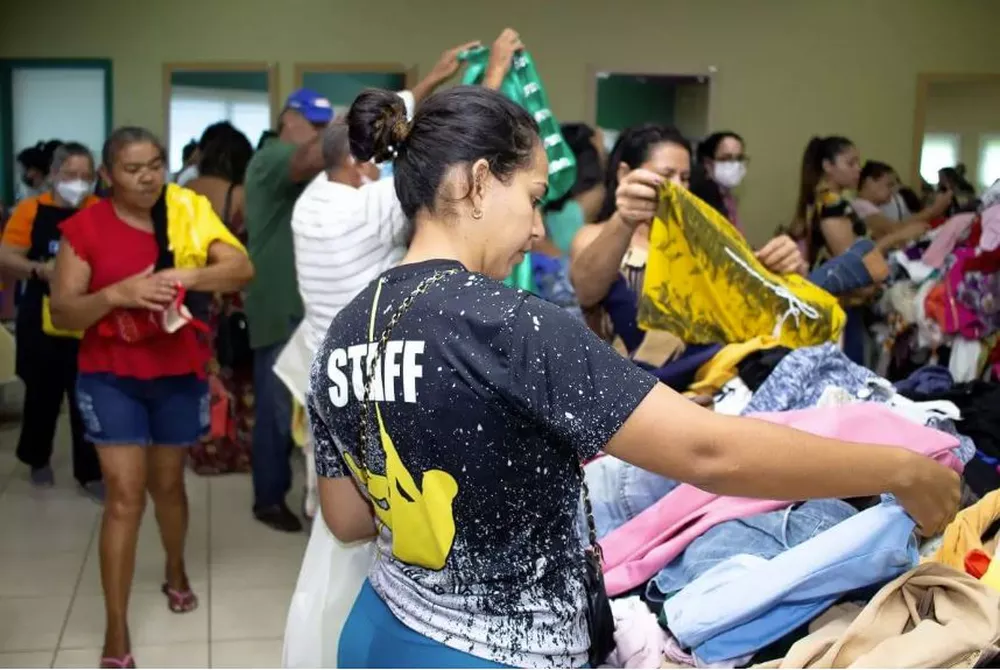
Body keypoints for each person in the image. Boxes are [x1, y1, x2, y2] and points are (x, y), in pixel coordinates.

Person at [308, 84, 960, 669]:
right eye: (533, 199)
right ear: (478, 182)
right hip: (493, 655)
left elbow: (347, 518)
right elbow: (710, 452)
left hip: (376, 634)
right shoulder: (510, 325)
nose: (537, 229)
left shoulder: (344, 330)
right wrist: (902, 470)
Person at [243, 39, 486, 533]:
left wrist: (432, 79)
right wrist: (492, 75)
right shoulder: (369, 209)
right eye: (377, 159)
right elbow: (453, 163)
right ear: (360, 165)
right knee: (372, 496)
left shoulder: (315, 199)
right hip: (363, 374)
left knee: (329, 480)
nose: (383, 164)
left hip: (322, 365)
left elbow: (366, 131)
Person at [48, 126, 254, 669]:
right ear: (108, 175)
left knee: (168, 484)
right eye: (133, 168)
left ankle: (175, 567)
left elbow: (242, 267)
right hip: (110, 375)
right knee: (125, 495)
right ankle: (116, 632)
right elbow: (63, 312)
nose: (147, 177)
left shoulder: (184, 210)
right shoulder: (85, 228)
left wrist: (185, 273)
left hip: (177, 370)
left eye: (156, 164)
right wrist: (119, 293)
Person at [569, 124, 804, 348]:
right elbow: (587, 292)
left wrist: (783, 268)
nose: (678, 187)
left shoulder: (700, 243)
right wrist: (625, 220)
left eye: (685, 177)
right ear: (625, 174)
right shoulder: (592, 236)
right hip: (623, 381)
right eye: (667, 174)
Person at [0, 142, 103, 496]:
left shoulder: (100, 211)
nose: (79, 183)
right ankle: (36, 457)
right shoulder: (31, 210)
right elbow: (6, 255)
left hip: (86, 314)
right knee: (42, 391)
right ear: (54, 175)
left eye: (86, 176)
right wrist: (36, 268)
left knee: (85, 394)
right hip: (39, 312)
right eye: (71, 175)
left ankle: (89, 472)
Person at [184, 122, 256, 475]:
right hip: (230, 295)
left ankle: (201, 446)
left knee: (200, 371)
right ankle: (235, 448)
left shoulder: (185, 189)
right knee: (236, 369)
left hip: (192, 291)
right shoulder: (239, 194)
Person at [853, 160, 952, 246]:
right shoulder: (861, 206)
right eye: (889, 185)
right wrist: (933, 211)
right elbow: (895, 230)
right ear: (869, 182)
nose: (893, 191)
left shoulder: (869, 206)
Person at [689, 130, 748, 230]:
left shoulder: (727, 198)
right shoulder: (702, 199)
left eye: (739, 158)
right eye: (726, 158)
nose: (735, 165)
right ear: (708, 163)